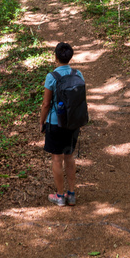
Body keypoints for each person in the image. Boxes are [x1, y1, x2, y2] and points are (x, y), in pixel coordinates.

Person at [39, 42, 84, 206]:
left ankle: (59, 196)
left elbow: (45, 104)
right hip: (72, 123)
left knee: (57, 159)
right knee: (69, 157)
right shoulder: (78, 74)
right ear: (70, 57)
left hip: (55, 123)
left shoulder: (51, 77)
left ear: (55, 57)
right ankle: (71, 195)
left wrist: (41, 122)